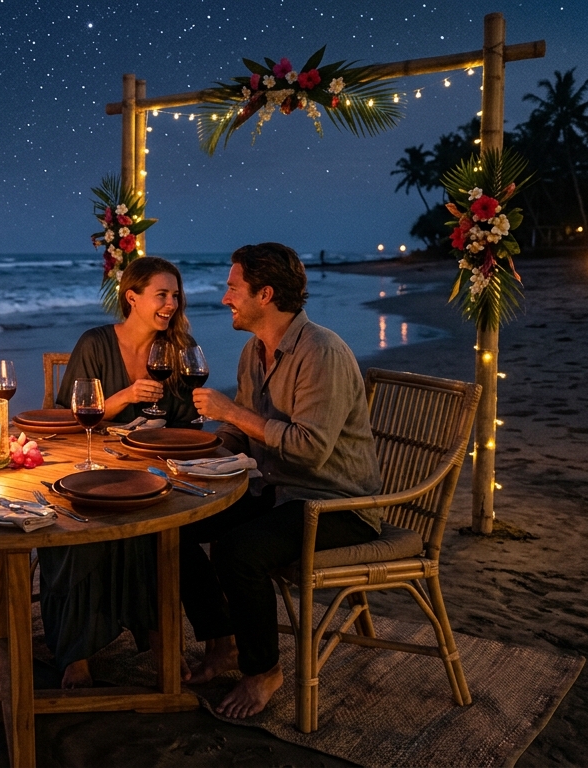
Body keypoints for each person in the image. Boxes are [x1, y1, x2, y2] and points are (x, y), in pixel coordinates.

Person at [183, 242, 382, 718]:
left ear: (265, 294)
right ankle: (221, 642)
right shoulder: (256, 351)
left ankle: (264, 669)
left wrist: (230, 411)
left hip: (337, 503)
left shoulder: (322, 352)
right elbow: (240, 430)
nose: (225, 297)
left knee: (239, 549)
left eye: (233, 288)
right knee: (175, 524)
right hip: (280, 490)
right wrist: (196, 455)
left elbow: (310, 451)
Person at [39, 256, 199, 688]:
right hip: (88, 463)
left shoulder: (177, 348)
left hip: (151, 470)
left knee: (149, 521)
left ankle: (153, 628)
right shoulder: (94, 343)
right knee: (77, 528)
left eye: (175, 295)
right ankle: (77, 653)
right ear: (133, 297)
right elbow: (66, 418)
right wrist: (125, 395)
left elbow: (187, 423)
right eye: (161, 295)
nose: (171, 303)